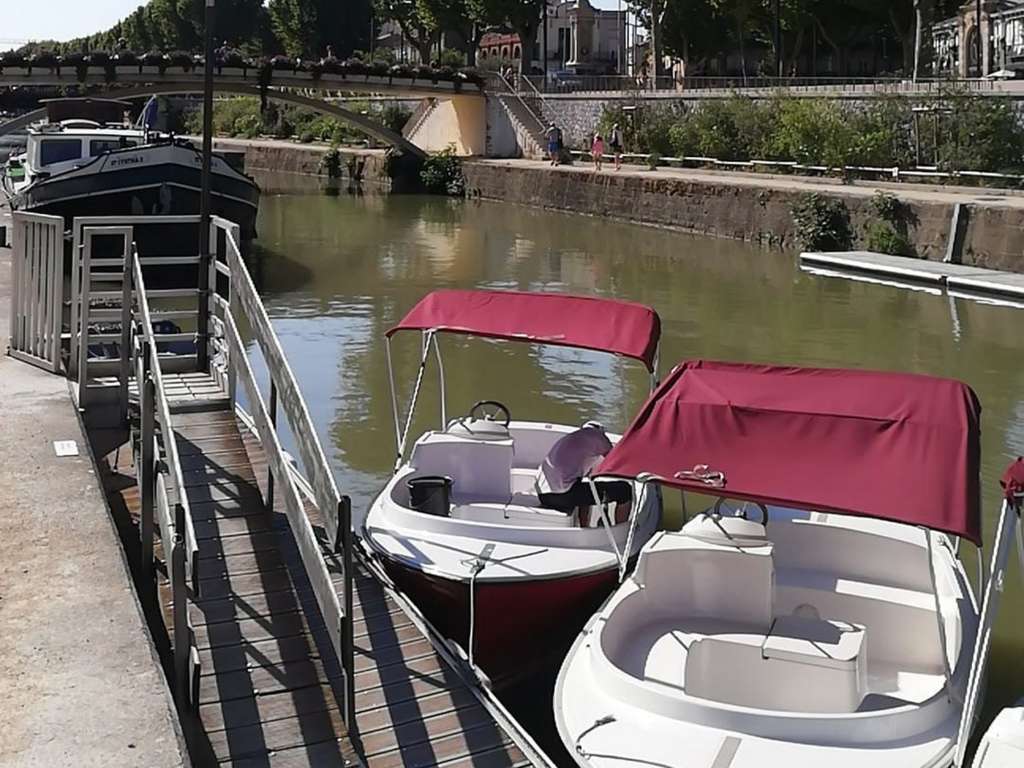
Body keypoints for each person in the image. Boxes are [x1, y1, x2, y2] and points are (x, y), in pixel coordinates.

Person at [535, 422, 631, 515]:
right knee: (624, 490)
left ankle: (584, 525)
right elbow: (616, 462)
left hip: (543, 495)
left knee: (584, 486)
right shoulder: (599, 437)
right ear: (601, 431)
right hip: (563, 495)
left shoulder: (572, 437)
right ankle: (622, 529)